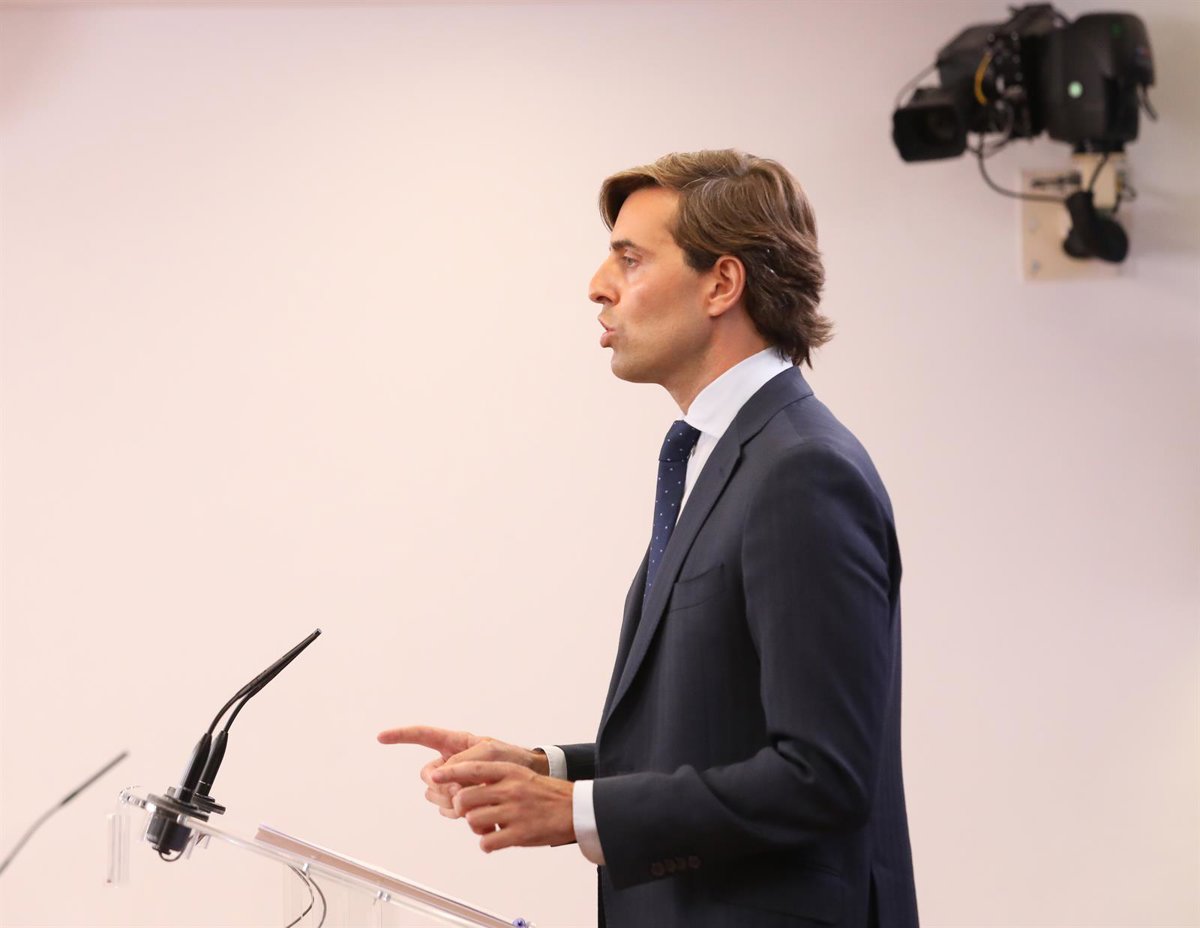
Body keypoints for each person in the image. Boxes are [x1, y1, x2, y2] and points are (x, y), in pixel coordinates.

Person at [379, 150, 919, 928]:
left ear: (721, 284)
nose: (597, 286)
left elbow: (822, 776)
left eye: (629, 260)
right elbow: (719, 735)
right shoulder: (725, 457)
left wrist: (579, 812)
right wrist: (547, 770)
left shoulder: (802, 471)